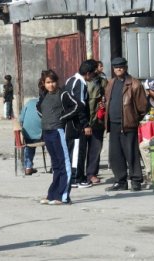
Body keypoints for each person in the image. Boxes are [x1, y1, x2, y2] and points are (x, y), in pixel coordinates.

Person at [36, 69, 79, 205]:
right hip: (47, 132)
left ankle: (64, 197)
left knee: (64, 164)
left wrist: (61, 118)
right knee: (55, 165)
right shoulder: (44, 95)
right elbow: (38, 108)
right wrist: (46, 119)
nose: (51, 85)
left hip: (58, 131)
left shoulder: (63, 94)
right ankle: (53, 195)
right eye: (48, 82)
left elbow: (77, 106)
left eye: (53, 82)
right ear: (44, 83)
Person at [104, 57, 147, 191]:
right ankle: (120, 181)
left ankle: (136, 181)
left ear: (126, 67)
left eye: (121, 66)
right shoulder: (110, 83)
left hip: (128, 124)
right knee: (115, 155)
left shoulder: (135, 84)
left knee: (131, 153)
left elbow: (142, 107)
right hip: (113, 124)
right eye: (116, 67)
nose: (118, 69)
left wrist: (133, 119)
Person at [63, 59, 98, 188]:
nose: (94, 76)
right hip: (77, 124)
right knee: (78, 150)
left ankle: (75, 176)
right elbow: (80, 106)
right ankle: (76, 178)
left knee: (73, 150)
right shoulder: (80, 84)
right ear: (88, 73)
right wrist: (86, 125)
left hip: (70, 123)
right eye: (94, 74)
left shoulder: (70, 80)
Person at [83, 64, 108, 185]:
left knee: (95, 148)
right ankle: (80, 174)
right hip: (84, 120)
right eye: (98, 66)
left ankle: (91, 173)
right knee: (82, 149)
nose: (101, 68)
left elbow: (107, 98)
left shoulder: (103, 82)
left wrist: (104, 105)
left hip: (98, 120)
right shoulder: (82, 83)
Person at [19, 94, 42, 175]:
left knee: (29, 145)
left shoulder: (29, 102)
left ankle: (28, 167)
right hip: (41, 135)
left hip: (27, 134)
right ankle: (54, 166)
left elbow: (21, 118)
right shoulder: (46, 102)